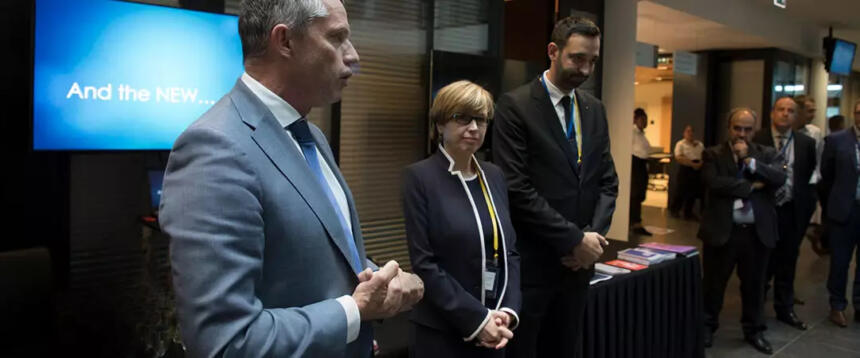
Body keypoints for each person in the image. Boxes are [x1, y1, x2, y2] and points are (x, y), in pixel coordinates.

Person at [159, 1, 424, 356]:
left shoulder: (310, 136)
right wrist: (354, 311)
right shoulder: (215, 149)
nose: (353, 56)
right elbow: (225, 341)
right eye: (337, 38)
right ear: (285, 41)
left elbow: (318, 257)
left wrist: (383, 280)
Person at [492, 16, 617, 358]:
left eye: (592, 61)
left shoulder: (594, 109)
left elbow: (607, 181)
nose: (586, 70)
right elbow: (516, 188)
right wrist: (574, 240)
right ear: (552, 51)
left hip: (578, 269)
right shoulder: (515, 106)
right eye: (577, 58)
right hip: (534, 265)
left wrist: (591, 240)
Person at [402, 80, 521, 357]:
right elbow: (425, 264)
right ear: (440, 124)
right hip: (443, 333)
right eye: (462, 118)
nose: (474, 128)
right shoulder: (419, 178)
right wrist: (478, 319)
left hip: (496, 329)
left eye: (481, 119)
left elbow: (510, 251)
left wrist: (507, 311)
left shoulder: (494, 175)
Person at [699, 108, 786, 354]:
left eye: (748, 129)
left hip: (756, 234)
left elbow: (779, 178)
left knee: (755, 286)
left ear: (754, 130)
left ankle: (754, 330)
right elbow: (714, 183)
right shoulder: (713, 154)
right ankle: (706, 327)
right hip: (723, 232)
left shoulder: (766, 153)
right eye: (737, 128)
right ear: (729, 128)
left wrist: (750, 161)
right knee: (713, 285)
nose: (742, 134)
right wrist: (752, 186)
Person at [753, 97, 817, 331]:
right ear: (772, 113)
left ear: (796, 116)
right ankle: (755, 310)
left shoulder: (806, 143)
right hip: (764, 210)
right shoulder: (757, 138)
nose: (785, 114)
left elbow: (807, 176)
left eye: (791, 110)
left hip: (792, 210)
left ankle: (785, 308)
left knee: (788, 261)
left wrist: (807, 208)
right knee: (762, 261)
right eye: (781, 109)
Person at [820, 99, 860, 327]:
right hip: (844, 210)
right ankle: (837, 305)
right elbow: (826, 175)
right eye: (859, 112)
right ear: (854, 114)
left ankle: (859, 305)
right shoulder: (837, 140)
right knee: (840, 262)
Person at [671, 125, 705, 220]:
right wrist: (692, 164)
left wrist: (699, 164)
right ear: (684, 133)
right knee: (680, 191)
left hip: (697, 170)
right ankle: (675, 210)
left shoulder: (700, 145)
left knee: (692, 192)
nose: (690, 133)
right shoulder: (680, 144)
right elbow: (678, 157)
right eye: (688, 131)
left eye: (692, 131)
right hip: (685, 169)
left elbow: (704, 156)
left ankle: (688, 213)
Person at [631, 108, 653, 236]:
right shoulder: (632, 133)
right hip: (635, 164)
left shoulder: (642, 135)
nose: (645, 122)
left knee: (640, 194)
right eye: (642, 119)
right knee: (635, 194)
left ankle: (635, 221)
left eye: (646, 119)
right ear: (636, 119)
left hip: (642, 165)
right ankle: (635, 223)